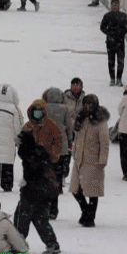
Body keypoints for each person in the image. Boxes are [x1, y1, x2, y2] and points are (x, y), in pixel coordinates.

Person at [14, 128, 61, 254]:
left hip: (32, 192)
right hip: (45, 192)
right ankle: (52, 244)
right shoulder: (39, 152)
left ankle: (18, 244)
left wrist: (25, 184)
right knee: (40, 218)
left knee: (21, 217)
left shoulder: (28, 155)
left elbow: (32, 175)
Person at [70, 94, 110, 227]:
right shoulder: (80, 118)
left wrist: (102, 160)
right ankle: (85, 210)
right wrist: (75, 152)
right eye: (86, 104)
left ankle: (90, 217)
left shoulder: (100, 121)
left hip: (93, 160)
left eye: (91, 104)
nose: (88, 107)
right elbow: (77, 137)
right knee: (75, 189)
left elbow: (104, 142)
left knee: (93, 191)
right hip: (79, 159)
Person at [0, 83, 24, 192]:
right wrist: (18, 138)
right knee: (7, 163)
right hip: (8, 141)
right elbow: (17, 126)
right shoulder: (13, 109)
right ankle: (7, 184)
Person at [41, 87, 72, 219]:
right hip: (60, 147)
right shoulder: (65, 109)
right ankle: (54, 208)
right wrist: (69, 141)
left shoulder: (43, 108)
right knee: (56, 178)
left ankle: (45, 207)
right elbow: (69, 127)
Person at [100, 0, 127, 86]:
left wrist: (121, 34)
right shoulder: (107, 16)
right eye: (113, 5)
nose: (115, 7)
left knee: (120, 61)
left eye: (116, 5)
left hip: (120, 42)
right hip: (110, 42)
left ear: (119, 6)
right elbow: (102, 27)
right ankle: (112, 79)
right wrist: (109, 34)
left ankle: (119, 78)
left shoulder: (123, 16)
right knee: (111, 61)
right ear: (111, 6)